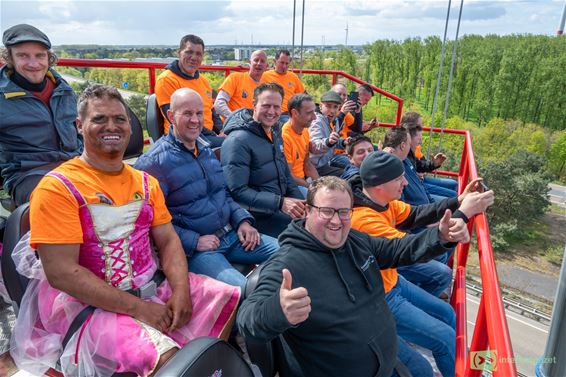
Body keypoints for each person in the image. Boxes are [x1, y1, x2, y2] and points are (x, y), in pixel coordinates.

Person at [10, 84, 240, 377]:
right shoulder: (57, 188)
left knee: (231, 299)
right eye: (99, 119)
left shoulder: (145, 182)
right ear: (79, 126)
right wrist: (139, 309)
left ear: (130, 128)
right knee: (170, 359)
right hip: (88, 306)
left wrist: (181, 290)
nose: (112, 126)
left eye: (119, 119)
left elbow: (168, 241)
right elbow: (61, 272)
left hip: (150, 286)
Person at [237, 176, 472, 377]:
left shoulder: (354, 241)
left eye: (343, 212)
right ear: (308, 211)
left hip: (386, 362)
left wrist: (441, 236)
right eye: (327, 211)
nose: (337, 221)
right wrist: (279, 311)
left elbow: (398, 249)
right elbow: (248, 319)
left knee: (421, 368)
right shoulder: (287, 264)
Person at [348, 151, 495, 377]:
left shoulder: (380, 202)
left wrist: (459, 200)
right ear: (380, 184)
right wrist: (464, 214)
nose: (406, 182)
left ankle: (429, 345)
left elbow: (416, 214)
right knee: (443, 340)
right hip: (378, 297)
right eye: (399, 179)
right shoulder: (363, 219)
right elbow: (409, 248)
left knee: (446, 313)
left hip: (392, 281)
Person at [135, 88, 278, 292]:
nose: (195, 120)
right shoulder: (154, 163)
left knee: (288, 253)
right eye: (187, 113)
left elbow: (223, 193)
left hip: (232, 235)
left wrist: (243, 220)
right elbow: (149, 222)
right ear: (170, 116)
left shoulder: (205, 150)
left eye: (199, 113)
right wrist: (194, 241)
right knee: (246, 292)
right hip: (199, 251)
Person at [0, 24, 82, 206]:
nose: (34, 64)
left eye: (40, 55)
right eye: (23, 56)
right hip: (28, 174)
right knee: (62, 201)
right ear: (10, 58)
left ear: (49, 57)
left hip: (75, 165)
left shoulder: (64, 89)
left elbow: (78, 133)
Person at [221, 82, 305, 237]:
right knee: (311, 232)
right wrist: (280, 203)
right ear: (254, 104)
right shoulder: (238, 141)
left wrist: (300, 204)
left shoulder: (274, 132)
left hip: (278, 204)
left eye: (276, 107)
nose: (272, 112)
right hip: (257, 215)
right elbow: (237, 191)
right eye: (266, 106)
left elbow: (285, 175)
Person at [154, 34, 224, 147]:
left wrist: (222, 131)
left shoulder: (203, 81)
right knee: (235, 145)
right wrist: (214, 136)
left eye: (198, 54)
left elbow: (212, 112)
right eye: (189, 52)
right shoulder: (167, 80)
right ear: (179, 53)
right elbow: (176, 119)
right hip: (185, 137)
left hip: (207, 135)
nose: (194, 57)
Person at [403, 118, 458, 201]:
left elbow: (419, 165)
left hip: (420, 186)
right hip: (418, 192)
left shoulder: (409, 153)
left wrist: (433, 164)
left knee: (454, 186)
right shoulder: (401, 158)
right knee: (454, 196)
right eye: (419, 139)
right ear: (409, 138)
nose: (420, 142)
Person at [281, 93, 319, 197]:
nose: (314, 117)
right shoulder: (285, 137)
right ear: (295, 113)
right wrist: (312, 188)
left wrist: (320, 184)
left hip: (304, 181)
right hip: (292, 186)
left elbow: (307, 164)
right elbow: (288, 175)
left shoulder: (305, 131)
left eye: (314, 112)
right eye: (309, 113)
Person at [214, 49, 268, 119]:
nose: (258, 64)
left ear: (266, 66)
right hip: (234, 124)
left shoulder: (266, 87)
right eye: (256, 60)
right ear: (250, 63)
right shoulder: (235, 78)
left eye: (262, 61)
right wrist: (234, 119)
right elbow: (219, 103)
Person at [309, 90, 350, 175]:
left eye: (335, 107)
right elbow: (314, 146)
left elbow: (332, 141)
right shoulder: (316, 121)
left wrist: (343, 142)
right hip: (314, 167)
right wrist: (329, 142)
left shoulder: (334, 120)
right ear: (321, 106)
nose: (332, 110)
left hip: (324, 164)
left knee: (351, 170)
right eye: (328, 106)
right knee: (348, 175)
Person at [262, 49, 305, 122]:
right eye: (282, 63)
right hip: (273, 113)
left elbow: (303, 95)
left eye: (287, 63)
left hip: (291, 112)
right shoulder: (265, 76)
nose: (284, 66)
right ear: (275, 61)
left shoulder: (293, 76)